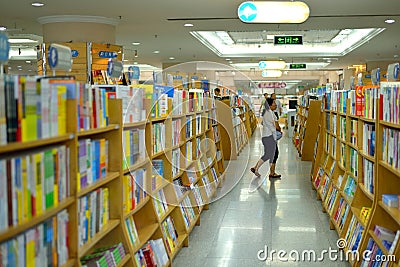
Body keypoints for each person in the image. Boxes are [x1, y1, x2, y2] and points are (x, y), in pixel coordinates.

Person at [250, 97, 280, 178]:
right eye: (274, 103)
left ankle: (255, 168)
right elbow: (277, 126)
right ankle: (272, 173)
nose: (276, 105)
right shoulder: (271, 114)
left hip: (265, 137)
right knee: (275, 154)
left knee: (268, 154)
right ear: (270, 105)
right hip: (270, 137)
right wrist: (280, 131)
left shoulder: (265, 113)